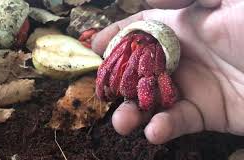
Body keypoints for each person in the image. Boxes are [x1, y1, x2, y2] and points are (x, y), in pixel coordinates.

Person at [91, 0, 244, 144]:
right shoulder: (130, 40)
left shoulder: (152, 50)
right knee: (112, 64)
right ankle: (105, 90)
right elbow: (110, 62)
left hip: (154, 50)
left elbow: (153, 72)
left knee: (143, 68)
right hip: (138, 40)